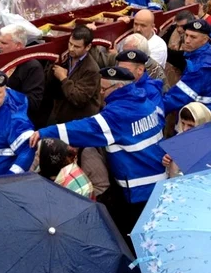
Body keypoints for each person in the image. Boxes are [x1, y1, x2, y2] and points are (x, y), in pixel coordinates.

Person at [30, 66, 166, 240]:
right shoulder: (144, 102)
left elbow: (85, 128)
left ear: (118, 88)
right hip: (156, 179)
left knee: (133, 238)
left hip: (137, 189)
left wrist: (45, 132)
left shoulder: (118, 114)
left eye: (104, 89)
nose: (100, 93)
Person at [163, 19, 211, 114]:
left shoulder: (200, 68)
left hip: (200, 116)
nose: (187, 41)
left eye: (193, 37)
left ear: (205, 40)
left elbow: (177, 98)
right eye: (186, 35)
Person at [45, 25, 101, 125]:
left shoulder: (92, 69)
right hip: (59, 116)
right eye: (70, 44)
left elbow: (78, 99)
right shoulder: (64, 58)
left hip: (79, 123)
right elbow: (49, 87)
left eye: (76, 46)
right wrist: (52, 68)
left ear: (88, 47)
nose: (71, 49)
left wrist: (63, 78)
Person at [0, 24, 45, 124]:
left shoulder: (33, 67)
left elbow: (33, 102)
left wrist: (5, 93)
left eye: (4, 43)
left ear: (18, 45)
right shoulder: (0, 61)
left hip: (20, 123)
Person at [115, 50, 164, 119]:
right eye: (119, 69)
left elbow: (156, 119)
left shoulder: (152, 91)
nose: (121, 73)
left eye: (126, 70)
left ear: (140, 70)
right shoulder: (116, 85)